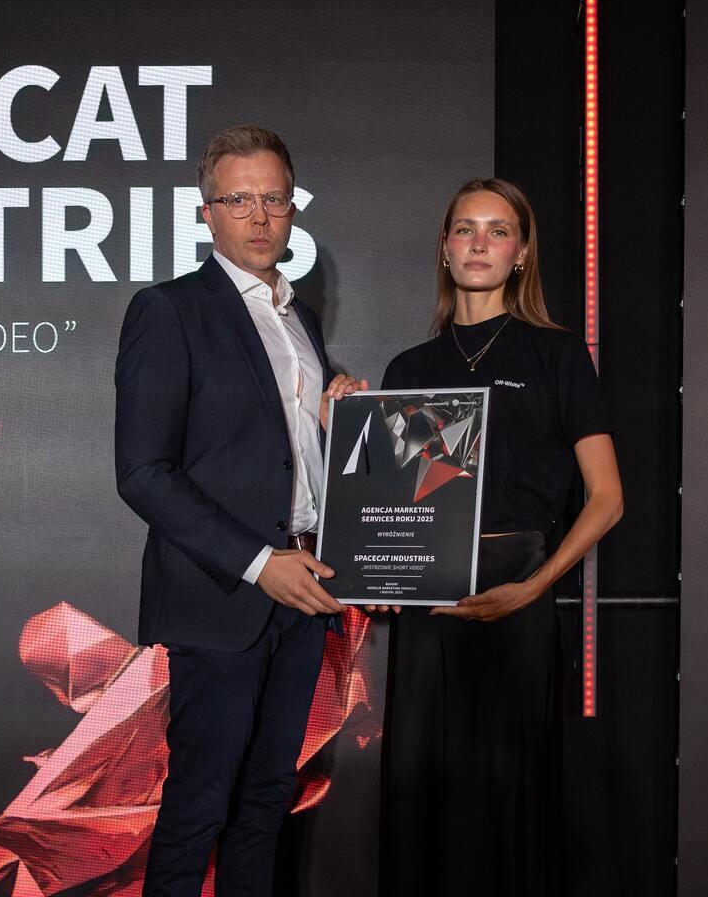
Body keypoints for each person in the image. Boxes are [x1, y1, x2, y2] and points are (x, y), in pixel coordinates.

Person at [114, 124, 367, 897]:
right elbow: (143, 473)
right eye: (239, 200)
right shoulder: (169, 310)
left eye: (274, 199)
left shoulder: (300, 321)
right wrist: (260, 565)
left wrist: (339, 425)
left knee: (265, 804)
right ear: (207, 212)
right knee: (199, 805)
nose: (259, 216)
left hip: (305, 592)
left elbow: (285, 457)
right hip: (222, 598)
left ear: (292, 210)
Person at [375, 177, 624, 897]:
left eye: (498, 230)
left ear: (521, 253)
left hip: (519, 593)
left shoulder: (555, 355)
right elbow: (399, 504)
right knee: (423, 788)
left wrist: (533, 588)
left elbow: (607, 499)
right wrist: (385, 574)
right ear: (444, 248)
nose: (479, 243)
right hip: (429, 602)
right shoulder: (410, 370)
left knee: (507, 794)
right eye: (465, 229)